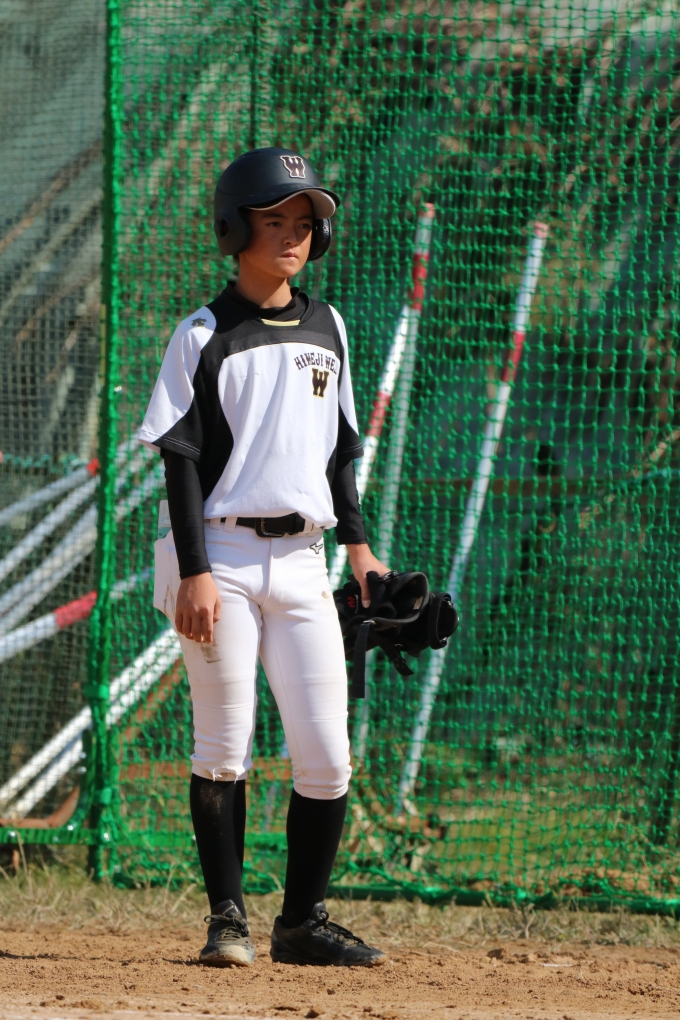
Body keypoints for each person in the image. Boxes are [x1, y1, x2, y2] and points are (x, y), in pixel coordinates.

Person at [139, 147, 388, 968]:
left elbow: (340, 453)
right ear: (233, 227)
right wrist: (195, 570)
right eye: (274, 218)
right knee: (224, 745)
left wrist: (361, 553)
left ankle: (301, 923)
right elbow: (179, 460)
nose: (293, 234)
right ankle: (228, 921)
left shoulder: (330, 327)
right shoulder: (203, 334)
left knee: (327, 755)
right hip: (220, 555)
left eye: (305, 222)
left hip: (307, 560)